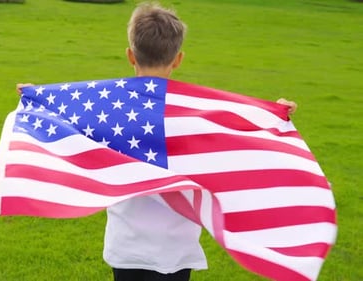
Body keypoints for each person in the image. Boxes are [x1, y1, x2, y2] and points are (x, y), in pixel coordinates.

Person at [17, 2, 297, 281]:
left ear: (130, 55)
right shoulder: (195, 116)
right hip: (176, 251)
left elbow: (69, 125)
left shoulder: (109, 109)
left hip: (128, 249)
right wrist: (272, 117)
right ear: (178, 59)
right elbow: (238, 141)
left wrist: (36, 100)